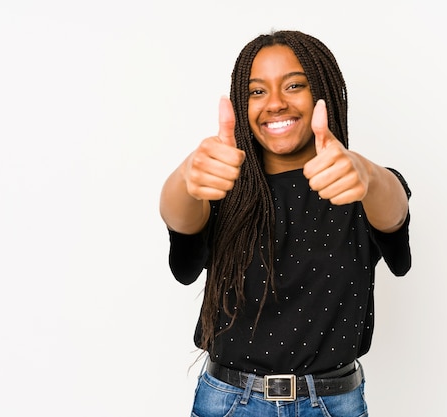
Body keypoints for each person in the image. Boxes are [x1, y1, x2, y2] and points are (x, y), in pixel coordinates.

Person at [159, 29, 412, 417]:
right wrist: (184, 179)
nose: (275, 103)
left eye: (294, 85)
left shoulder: (359, 185)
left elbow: (394, 215)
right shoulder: (221, 187)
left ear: (322, 92)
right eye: (257, 91)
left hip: (332, 403)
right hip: (230, 402)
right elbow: (182, 236)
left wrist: (369, 175)